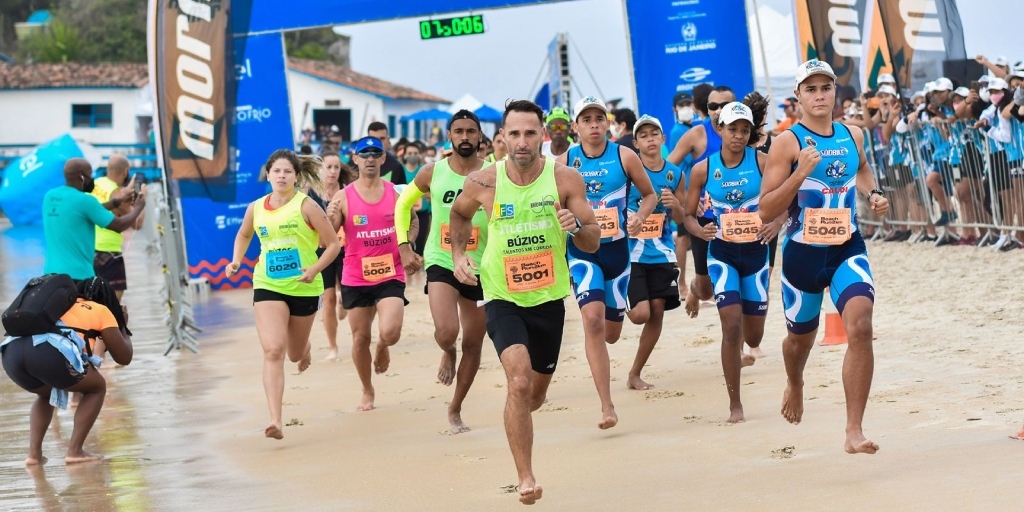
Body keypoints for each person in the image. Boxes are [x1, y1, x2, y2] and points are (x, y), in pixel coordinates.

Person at [449, 99, 600, 505]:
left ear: (544, 136)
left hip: (549, 298)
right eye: (513, 133)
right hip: (501, 295)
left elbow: (593, 239)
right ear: (501, 137)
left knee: (533, 394)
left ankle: (526, 411)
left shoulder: (565, 179)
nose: (521, 141)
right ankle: (526, 477)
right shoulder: (483, 182)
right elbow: (458, 215)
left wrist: (576, 227)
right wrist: (459, 255)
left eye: (530, 133)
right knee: (517, 382)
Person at [759, 60, 889, 454]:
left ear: (835, 92)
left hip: (847, 245)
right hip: (802, 256)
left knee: (861, 325)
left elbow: (863, 169)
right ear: (798, 96)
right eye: (810, 89)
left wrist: (873, 194)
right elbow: (766, 209)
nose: (819, 95)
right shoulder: (787, 142)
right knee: (800, 342)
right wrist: (799, 174)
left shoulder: (852, 134)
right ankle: (795, 382)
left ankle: (853, 430)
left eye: (825, 88)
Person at [225, 150, 341, 440]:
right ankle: (276, 420)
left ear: (296, 177)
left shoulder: (308, 206)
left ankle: (305, 349)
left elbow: (332, 245)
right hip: (268, 284)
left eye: (287, 172)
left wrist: (314, 269)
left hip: (304, 285)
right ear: (268, 174)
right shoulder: (256, 207)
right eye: (276, 171)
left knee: (294, 354)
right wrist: (237, 260)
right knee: (273, 350)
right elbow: (243, 234)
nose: (281, 176)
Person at [558, 96, 657, 429]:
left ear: (608, 123)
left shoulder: (624, 155)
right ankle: (607, 406)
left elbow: (650, 195)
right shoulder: (564, 162)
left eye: (599, 118)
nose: (594, 124)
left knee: (611, 333)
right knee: (593, 323)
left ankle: (611, 332)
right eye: (586, 120)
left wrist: (640, 216)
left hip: (618, 253)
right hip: (583, 253)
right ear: (576, 127)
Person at [684, 97, 782, 423]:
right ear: (719, 129)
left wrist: (776, 222)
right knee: (731, 327)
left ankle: (746, 343)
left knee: (753, 337)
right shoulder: (703, 169)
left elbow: (787, 198)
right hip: (722, 254)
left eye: (744, 130)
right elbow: (686, 216)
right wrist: (700, 230)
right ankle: (735, 405)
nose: (738, 135)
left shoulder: (764, 162)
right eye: (732, 129)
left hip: (756, 254)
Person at [395, 110, 489, 434]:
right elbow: (402, 204)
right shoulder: (431, 172)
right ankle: (447, 351)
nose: (465, 137)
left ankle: (456, 408)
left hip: (481, 264)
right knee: (448, 332)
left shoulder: (492, 175)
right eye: (458, 131)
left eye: (471, 131)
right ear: (449, 136)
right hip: (442, 259)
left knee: (474, 344)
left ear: (480, 137)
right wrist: (404, 246)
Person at [1, 277, 134, 465]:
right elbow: (124, 357)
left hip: (11, 353)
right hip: (45, 352)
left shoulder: (58, 306)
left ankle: (34, 455)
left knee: (46, 394)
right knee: (97, 387)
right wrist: (122, 326)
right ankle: (75, 451)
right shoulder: (101, 310)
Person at [327, 136, 417, 412]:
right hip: (356, 276)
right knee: (359, 338)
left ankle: (383, 346)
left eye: (374, 153)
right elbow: (328, 238)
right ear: (354, 159)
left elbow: (412, 221)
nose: (369, 158)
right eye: (363, 154)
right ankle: (367, 390)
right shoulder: (342, 197)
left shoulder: (395, 193)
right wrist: (330, 217)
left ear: (382, 159)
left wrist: (408, 246)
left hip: (390, 273)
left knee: (390, 331)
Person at [623, 115, 685, 391]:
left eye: (654, 133)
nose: (650, 139)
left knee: (657, 311)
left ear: (662, 138)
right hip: (632, 252)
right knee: (640, 314)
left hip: (662, 252)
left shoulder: (674, 174)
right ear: (635, 143)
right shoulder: (628, 173)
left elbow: (683, 219)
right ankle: (617, 304)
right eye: (643, 135)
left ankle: (635, 373)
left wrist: (676, 206)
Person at [668, 85, 737, 317]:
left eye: (724, 106)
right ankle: (696, 290)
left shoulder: (744, 132)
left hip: (739, 219)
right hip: (704, 222)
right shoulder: (697, 134)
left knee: (737, 286)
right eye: (713, 107)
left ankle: (744, 346)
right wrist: (684, 197)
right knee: (707, 289)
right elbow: (667, 170)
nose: (718, 111)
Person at [43, 158, 147, 282]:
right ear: (81, 177)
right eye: (90, 175)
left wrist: (116, 202)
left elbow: (85, 212)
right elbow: (118, 225)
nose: (92, 179)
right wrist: (138, 208)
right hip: (78, 277)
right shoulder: (85, 200)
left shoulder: (50, 196)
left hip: (50, 276)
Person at [309, 151, 350, 361]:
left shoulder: (347, 192)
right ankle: (333, 347)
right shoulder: (311, 194)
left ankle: (345, 304)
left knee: (346, 296)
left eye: (336, 167)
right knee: (328, 299)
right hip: (321, 251)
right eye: (328, 167)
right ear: (320, 169)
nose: (332, 172)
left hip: (346, 250)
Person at [90, 154, 143, 303]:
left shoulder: (96, 184)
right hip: (110, 253)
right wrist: (141, 198)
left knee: (92, 302)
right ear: (125, 172)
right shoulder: (116, 194)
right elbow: (138, 223)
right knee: (113, 305)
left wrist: (126, 190)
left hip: (89, 251)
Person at [401, 141, 431, 256]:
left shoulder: (424, 171)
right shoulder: (400, 169)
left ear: (419, 155)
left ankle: (418, 269)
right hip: (405, 212)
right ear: (404, 155)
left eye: (415, 153)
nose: (412, 155)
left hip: (422, 213)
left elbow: (431, 193)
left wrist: (419, 193)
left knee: (420, 243)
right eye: (409, 153)